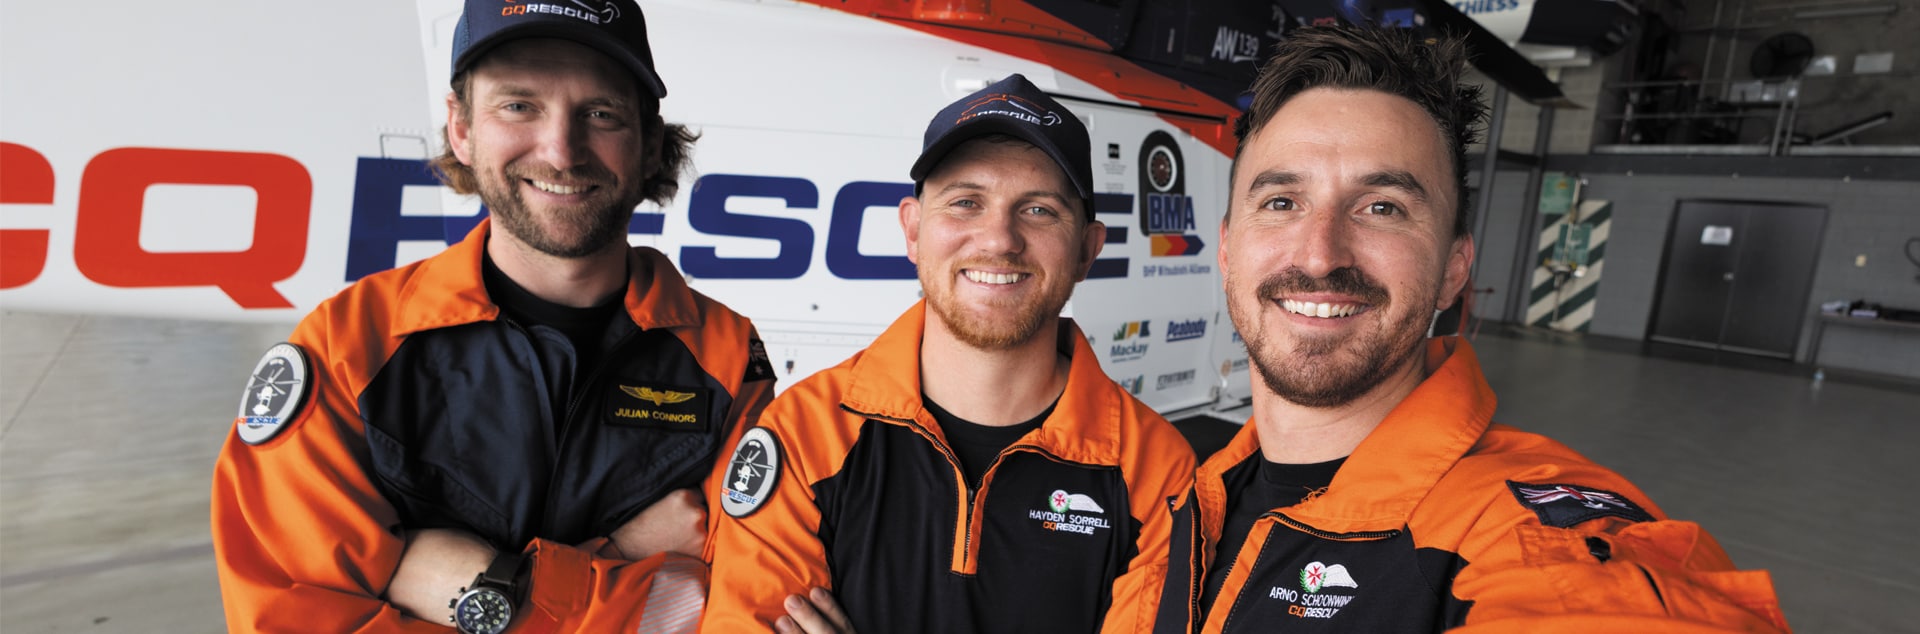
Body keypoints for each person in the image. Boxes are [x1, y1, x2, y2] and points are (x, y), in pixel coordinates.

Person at [1150, 27, 1791, 632]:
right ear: (1228, 250)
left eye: (1382, 207)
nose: (1320, 256)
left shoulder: (1529, 533)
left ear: (1454, 270)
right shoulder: (1195, 497)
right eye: (1282, 202)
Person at [210, 1, 775, 631]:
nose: (561, 152)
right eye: (518, 106)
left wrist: (468, 594)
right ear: (461, 128)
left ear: (648, 146)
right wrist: (618, 557)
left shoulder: (726, 358)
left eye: (601, 113)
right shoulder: (348, 347)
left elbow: (747, 609)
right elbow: (292, 618)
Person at [701, 74, 1197, 633]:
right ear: (913, 231)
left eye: (1039, 210)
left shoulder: (1158, 474)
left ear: (1087, 250)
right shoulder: (803, 434)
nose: (999, 239)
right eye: (965, 203)